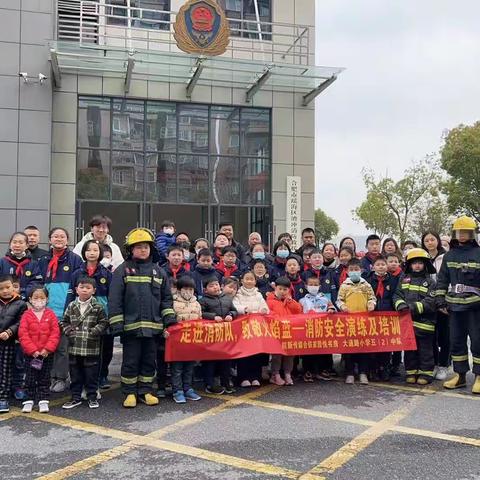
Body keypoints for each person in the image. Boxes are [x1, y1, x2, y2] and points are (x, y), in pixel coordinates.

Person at [108, 228, 176, 408]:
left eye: (145, 247)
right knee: (130, 361)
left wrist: (168, 319)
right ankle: (129, 393)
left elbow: (166, 298)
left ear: (151, 249)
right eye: (138, 247)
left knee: (149, 361)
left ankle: (145, 391)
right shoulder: (122, 270)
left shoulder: (158, 272)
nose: (142, 250)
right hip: (130, 329)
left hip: (153, 328)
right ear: (130, 250)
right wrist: (117, 323)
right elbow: (115, 299)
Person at [435, 216, 480, 394]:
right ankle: (460, 375)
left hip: (476, 306)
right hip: (454, 306)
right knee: (456, 341)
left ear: (472, 233)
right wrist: (440, 300)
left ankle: (479, 376)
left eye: (466, 232)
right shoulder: (449, 255)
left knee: (478, 341)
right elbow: (442, 280)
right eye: (459, 232)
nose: (462, 235)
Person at [38, 228, 83, 393]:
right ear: (50, 239)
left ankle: (61, 378)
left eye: (62, 236)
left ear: (67, 239)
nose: (58, 239)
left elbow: (79, 285)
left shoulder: (75, 260)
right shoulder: (43, 260)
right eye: (55, 236)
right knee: (47, 346)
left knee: (62, 348)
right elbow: (37, 285)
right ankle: (47, 377)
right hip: (45, 312)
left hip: (65, 312)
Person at [66, 239, 113, 390]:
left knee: (105, 348)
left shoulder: (106, 273)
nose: (92, 253)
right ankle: (82, 380)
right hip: (80, 315)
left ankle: (102, 375)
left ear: (100, 253)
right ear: (84, 253)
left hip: (101, 316)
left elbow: (112, 296)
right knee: (81, 350)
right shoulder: (76, 273)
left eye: (95, 250)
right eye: (89, 250)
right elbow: (70, 294)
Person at [61, 277, 109, 409]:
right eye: (82, 287)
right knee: (75, 374)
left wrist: (93, 332)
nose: (84, 290)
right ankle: (75, 397)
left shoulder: (97, 306)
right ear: (76, 290)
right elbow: (64, 321)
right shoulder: (72, 306)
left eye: (88, 288)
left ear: (94, 290)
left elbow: (104, 322)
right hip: (74, 346)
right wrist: (69, 331)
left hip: (91, 346)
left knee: (91, 374)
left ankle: (92, 397)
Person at [394, 249, 437, 385]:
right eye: (414, 263)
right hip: (408, 323)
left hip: (425, 323)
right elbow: (397, 295)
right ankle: (411, 372)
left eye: (420, 263)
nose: (417, 265)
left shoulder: (430, 282)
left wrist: (411, 308)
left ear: (425, 265)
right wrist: (400, 305)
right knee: (410, 349)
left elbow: (431, 302)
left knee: (425, 350)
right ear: (409, 265)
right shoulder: (404, 279)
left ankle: (426, 373)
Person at [18, 287, 60, 413]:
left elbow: (55, 333)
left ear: (47, 299)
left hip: (46, 354)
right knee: (30, 377)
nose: (39, 300)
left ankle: (43, 400)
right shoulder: (26, 315)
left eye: (42, 297)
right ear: (30, 299)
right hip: (31, 354)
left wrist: (47, 349)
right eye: (35, 298)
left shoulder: (51, 314)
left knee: (44, 377)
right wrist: (33, 351)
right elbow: (23, 334)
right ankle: (29, 400)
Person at [336, 258, 376, 385]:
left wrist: (371, 304)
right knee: (349, 349)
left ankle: (363, 373)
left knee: (364, 348)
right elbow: (339, 300)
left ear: (361, 271)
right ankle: (350, 373)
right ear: (347, 271)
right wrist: (342, 306)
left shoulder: (366, 285)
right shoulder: (344, 285)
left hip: (364, 322)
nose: (354, 272)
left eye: (356, 270)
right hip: (349, 323)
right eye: (351, 270)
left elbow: (372, 298)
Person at [199, 277, 237, 394]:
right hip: (210, 337)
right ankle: (210, 384)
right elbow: (200, 313)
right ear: (205, 290)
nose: (215, 287)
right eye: (211, 286)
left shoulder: (227, 298)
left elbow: (234, 310)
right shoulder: (203, 300)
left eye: (216, 284)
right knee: (210, 361)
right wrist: (212, 316)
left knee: (226, 360)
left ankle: (226, 382)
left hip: (225, 336)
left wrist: (231, 314)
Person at [363, 255, 398, 381]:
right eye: (378, 265)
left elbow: (396, 295)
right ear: (373, 267)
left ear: (387, 266)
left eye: (383, 264)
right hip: (371, 316)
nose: (381, 267)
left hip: (387, 316)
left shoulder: (393, 280)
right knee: (372, 343)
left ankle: (385, 368)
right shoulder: (367, 280)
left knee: (385, 344)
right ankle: (373, 369)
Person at [232, 271, 269, 387]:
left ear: (255, 281)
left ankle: (255, 376)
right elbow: (235, 306)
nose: (249, 281)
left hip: (256, 328)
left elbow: (265, 307)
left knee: (256, 353)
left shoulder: (258, 294)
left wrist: (264, 310)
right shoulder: (238, 294)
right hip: (243, 328)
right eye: (246, 279)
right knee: (244, 353)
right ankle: (243, 377)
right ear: (242, 281)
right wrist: (244, 309)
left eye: (251, 279)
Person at [421, 231, 449, 381]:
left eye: (432, 239)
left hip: (443, 302)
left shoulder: (446, 257)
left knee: (445, 336)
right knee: (430, 336)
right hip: (427, 304)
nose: (430, 243)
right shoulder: (422, 258)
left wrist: (445, 301)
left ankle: (444, 365)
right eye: (426, 240)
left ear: (438, 241)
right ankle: (434, 365)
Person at [170, 276, 202, 403]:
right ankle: (177, 390)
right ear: (179, 290)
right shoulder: (173, 302)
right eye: (185, 288)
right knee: (177, 368)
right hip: (177, 341)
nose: (188, 291)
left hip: (192, 340)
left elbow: (200, 319)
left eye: (191, 289)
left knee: (190, 367)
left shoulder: (196, 303)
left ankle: (188, 388)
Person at [267, 276, 302, 386]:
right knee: (277, 355)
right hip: (276, 332)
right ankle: (275, 374)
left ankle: (287, 373)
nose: (282, 292)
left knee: (289, 354)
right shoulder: (270, 301)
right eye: (280, 289)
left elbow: (298, 310)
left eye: (285, 289)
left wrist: (291, 302)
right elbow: (268, 313)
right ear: (275, 288)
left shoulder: (290, 300)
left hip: (289, 332)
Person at [299, 275, 335, 382]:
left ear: (319, 286)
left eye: (316, 285)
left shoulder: (324, 298)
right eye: (311, 285)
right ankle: (308, 371)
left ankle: (322, 370)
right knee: (309, 351)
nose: (313, 287)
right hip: (308, 329)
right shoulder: (302, 300)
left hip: (322, 329)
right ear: (306, 286)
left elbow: (331, 307)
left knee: (322, 350)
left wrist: (331, 309)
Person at [0, 275, 28, 413]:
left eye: (7, 287)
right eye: (1, 289)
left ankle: (3, 398)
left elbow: (21, 322)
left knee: (6, 370)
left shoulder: (20, 304)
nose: (5, 291)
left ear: (14, 287)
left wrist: (9, 332)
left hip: (9, 342)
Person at [0, 232, 42, 300]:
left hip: (25, 300)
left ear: (27, 245)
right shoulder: (2, 262)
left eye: (21, 243)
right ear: (10, 244)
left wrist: (23, 294)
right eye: (14, 242)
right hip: (4, 300)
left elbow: (36, 282)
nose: (17, 245)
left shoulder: (33, 264)